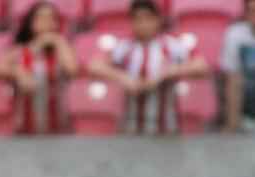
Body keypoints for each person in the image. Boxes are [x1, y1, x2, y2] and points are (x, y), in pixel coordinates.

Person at [88, 0, 211, 134]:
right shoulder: (125, 46)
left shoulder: (171, 45)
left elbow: (202, 66)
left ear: (157, 20)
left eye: (148, 19)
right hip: (132, 128)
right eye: (138, 19)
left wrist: (168, 73)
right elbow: (94, 66)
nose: (143, 25)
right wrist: (124, 78)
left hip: (165, 129)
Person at [0, 1, 78, 134]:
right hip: (25, 127)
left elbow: (72, 70)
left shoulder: (59, 50)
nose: (46, 22)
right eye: (41, 17)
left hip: (56, 128)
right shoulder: (20, 50)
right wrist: (17, 71)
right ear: (31, 22)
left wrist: (58, 41)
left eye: (51, 18)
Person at [222, 0, 255, 132]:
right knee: (235, 79)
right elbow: (232, 79)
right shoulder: (235, 34)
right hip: (247, 103)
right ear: (246, 13)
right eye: (253, 11)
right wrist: (232, 125)